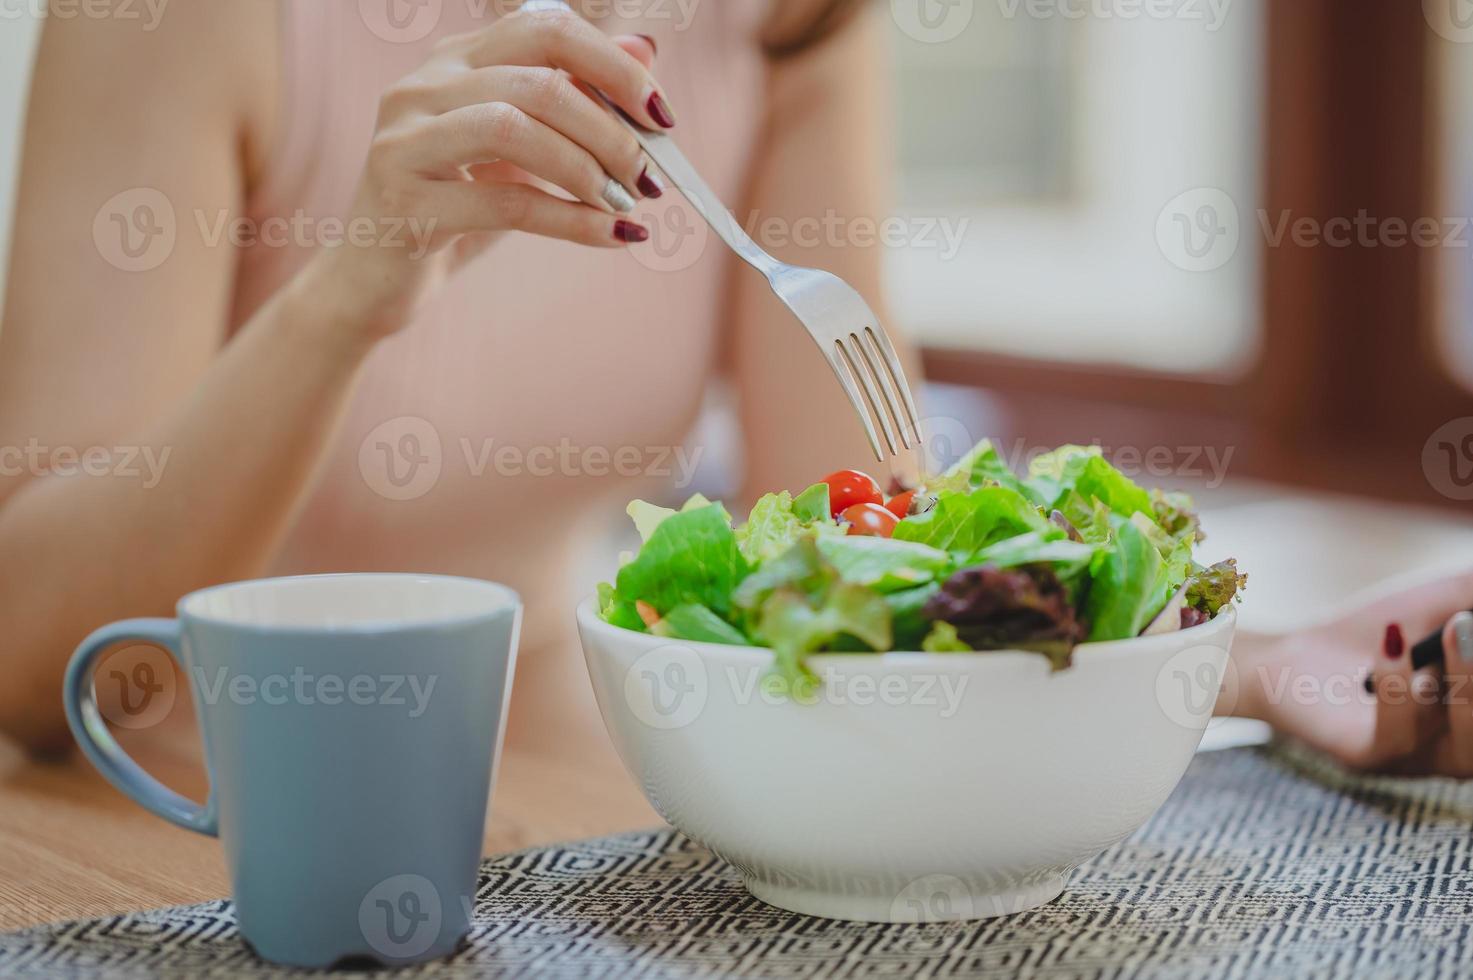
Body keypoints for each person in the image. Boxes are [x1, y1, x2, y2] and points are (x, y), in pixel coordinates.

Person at [1, 0, 1469, 784]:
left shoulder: (790, 16)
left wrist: (1255, 666)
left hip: (569, 797)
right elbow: (30, 657)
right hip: (182, 812)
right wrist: (349, 295)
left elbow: (876, 565)